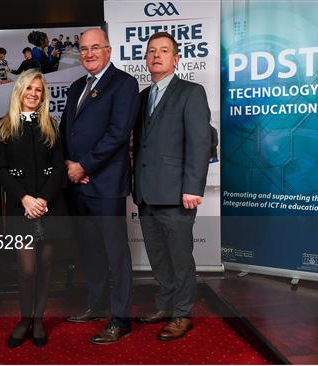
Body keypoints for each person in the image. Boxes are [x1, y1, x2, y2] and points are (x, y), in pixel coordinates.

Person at [59, 28, 140, 344]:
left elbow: (118, 134)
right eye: (84, 49)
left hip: (105, 184)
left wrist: (85, 166)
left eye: (95, 47)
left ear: (108, 50)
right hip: (78, 183)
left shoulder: (124, 84)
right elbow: (69, 131)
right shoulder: (77, 85)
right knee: (90, 250)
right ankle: (95, 305)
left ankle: (120, 319)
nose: (89, 53)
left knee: (115, 252)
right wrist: (69, 165)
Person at [132, 32, 212, 340]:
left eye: (164, 51)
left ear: (176, 59)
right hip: (146, 193)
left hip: (178, 194)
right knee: (158, 256)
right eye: (151, 51)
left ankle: (182, 313)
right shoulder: (141, 98)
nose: (156, 55)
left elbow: (200, 142)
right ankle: (164, 305)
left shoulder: (191, 92)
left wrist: (193, 187)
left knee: (180, 258)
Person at [0, 70, 67, 348]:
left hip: (51, 205)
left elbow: (59, 167)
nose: (34, 94)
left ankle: (38, 320)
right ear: (19, 92)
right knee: (27, 268)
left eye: (39, 89)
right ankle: (25, 318)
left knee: (47, 264)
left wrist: (43, 200)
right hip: (20, 207)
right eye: (29, 89)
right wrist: (25, 199)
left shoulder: (51, 125)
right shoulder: (3, 126)